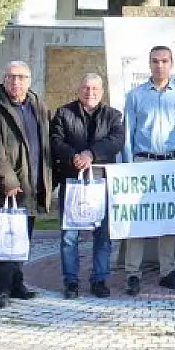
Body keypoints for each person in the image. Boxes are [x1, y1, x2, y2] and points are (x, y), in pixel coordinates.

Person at [122, 45, 175, 294]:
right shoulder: (135, 96)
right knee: (138, 219)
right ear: (149, 64)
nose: (159, 65)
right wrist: (127, 167)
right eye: (155, 61)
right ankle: (133, 272)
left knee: (168, 218)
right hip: (142, 162)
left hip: (172, 162)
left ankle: (168, 271)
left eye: (164, 61)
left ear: (171, 64)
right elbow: (127, 135)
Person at [0, 61, 53, 309]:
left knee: (23, 238)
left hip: (31, 185)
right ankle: (0, 288)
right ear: (3, 79)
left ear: (29, 80)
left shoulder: (37, 104)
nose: (16, 82)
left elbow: (45, 144)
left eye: (21, 77)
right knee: (3, 238)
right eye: (11, 77)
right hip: (8, 187)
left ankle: (17, 283)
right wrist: (8, 181)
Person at [51, 73, 125, 299]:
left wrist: (90, 154)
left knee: (102, 234)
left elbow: (116, 141)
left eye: (94, 88)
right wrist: (73, 156)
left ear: (102, 91)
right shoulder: (64, 113)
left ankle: (99, 279)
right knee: (70, 236)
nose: (90, 92)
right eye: (85, 88)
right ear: (78, 90)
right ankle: (71, 281)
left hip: (101, 181)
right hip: (72, 180)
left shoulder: (113, 115)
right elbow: (55, 140)